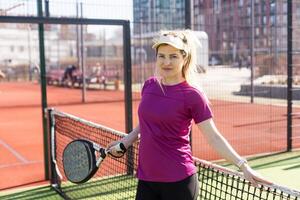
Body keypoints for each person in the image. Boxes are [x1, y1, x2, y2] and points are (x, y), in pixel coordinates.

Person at [108, 30, 270, 200]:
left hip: (179, 182)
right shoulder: (149, 86)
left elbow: (213, 137)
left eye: (173, 56)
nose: (166, 62)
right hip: (146, 179)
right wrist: (126, 142)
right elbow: (146, 122)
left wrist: (243, 165)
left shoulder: (193, 95)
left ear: (184, 58)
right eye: (161, 56)